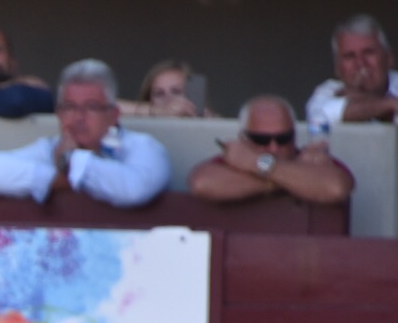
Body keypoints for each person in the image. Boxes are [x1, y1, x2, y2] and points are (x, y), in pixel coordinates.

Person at [0, 59, 170, 208]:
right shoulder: (52, 147)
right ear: (59, 114)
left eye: (91, 107)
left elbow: (133, 190)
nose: (78, 117)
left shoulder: (143, 146)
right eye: (69, 107)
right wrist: (58, 179)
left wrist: (72, 161)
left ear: (114, 115)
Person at [188, 94, 353, 206]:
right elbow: (202, 184)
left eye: (283, 139)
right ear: (243, 139)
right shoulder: (236, 160)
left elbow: (336, 188)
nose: (273, 148)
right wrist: (293, 177)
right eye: (262, 140)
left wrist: (256, 163)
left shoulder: (309, 159)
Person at [305, 14, 398, 125]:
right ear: (338, 68)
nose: (360, 63)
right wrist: (388, 105)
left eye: (369, 52)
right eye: (350, 56)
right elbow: (321, 117)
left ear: (389, 58)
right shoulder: (327, 91)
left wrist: (360, 98)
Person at [117, 59, 210, 117]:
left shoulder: (208, 122)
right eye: (159, 94)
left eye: (176, 92)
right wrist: (160, 111)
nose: (168, 99)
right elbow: (108, 107)